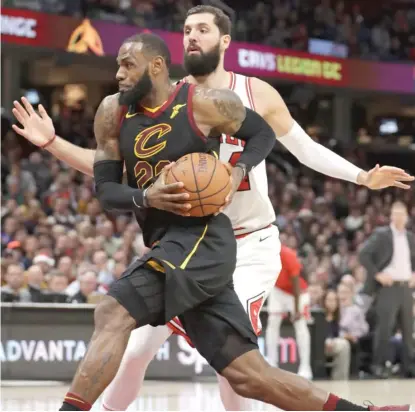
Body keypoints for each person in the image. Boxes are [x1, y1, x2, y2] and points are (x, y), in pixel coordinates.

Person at [11, 12, 414, 412]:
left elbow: (303, 148)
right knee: (136, 352)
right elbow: (113, 171)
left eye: (202, 30)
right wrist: (53, 145)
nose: (191, 37)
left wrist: (361, 177)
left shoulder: (252, 92)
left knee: (231, 369)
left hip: (249, 244)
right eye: (186, 30)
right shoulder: (162, 97)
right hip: (182, 240)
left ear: (224, 40)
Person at [359, 201, 415, 379]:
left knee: (408, 329)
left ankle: (409, 366)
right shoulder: (382, 234)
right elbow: (363, 254)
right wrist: (377, 274)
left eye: (402, 214)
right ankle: (378, 365)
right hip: (388, 288)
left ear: (406, 217)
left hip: (406, 287)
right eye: (395, 213)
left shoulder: (410, 237)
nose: (399, 217)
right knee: (384, 328)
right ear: (391, 216)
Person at [266, 244, 312, 379]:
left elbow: (296, 284)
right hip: (278, 290)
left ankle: (305, 367)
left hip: (297, 293)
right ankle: (271, 364)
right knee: (272, 323)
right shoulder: (262, 253)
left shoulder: (288, 255)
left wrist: (297, 310)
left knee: (301, 325)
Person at [323, 289, 351, 380]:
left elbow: (335, 335)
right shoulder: (319, 316)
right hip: (321, 345)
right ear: (324, 301)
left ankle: (340, 378)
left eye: (334, 300)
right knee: (344, 344)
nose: (332, 303)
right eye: (329, 300)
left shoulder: (336, 318)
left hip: (333, 345)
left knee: (344, 345)